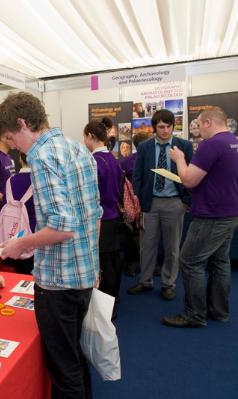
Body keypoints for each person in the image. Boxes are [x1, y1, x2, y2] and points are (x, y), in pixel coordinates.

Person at [0, 92, 102, 399]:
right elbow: (92, 214)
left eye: (12, 138)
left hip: (58, 283)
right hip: (83, 275)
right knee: (76, 361)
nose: (15, 146)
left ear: (22, 123)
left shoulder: (41, 156)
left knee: (64, 371)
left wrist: (21, 245)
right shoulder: (76, 148)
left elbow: (62, 225)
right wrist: (93, 264)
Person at [163, 107, 238, 327]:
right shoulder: (233, 141)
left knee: (190, 261)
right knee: (220, 262)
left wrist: (179, 158)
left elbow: (188, 180)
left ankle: (195, 315)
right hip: (229, 212)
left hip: (211, 215)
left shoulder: (211, 144)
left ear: (208, 122)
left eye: (198, 124)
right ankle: (218, 311)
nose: (196, 129)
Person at [128, 109, 193, 301]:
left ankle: (168, 283)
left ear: (173, 126)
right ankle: (145, 280)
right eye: (161, 127)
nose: (165, 130)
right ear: (155, 127)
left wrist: (185, 202)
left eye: (168, 126)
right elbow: (137, 175)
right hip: (151, 203)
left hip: (175, 202)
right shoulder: (145, 147)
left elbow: (190, 175)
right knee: (147, 245)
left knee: (172, 247)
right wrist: (140, 197)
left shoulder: (184, 146)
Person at [83, 121, 123, 317]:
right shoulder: (112, 159)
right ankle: (114, 301)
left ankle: (107, 308)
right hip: (113, 216)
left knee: (103, 265)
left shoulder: (94, 161)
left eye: (84, 137)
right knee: (113, 261)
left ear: (90, 136)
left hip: (101, 219)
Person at [118, 131, 151, 276]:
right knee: (143, 234)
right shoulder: (128, 161)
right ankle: (141, 263)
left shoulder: (126, 161)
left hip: (134, 203)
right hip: (140, 201)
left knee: (134, 234)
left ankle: (134, 263)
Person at [0, 153, 36, 275]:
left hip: (12, 234)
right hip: (34, 235)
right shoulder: (40, 181)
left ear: (20, 159)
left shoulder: (10, 181)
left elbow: (5, 203)